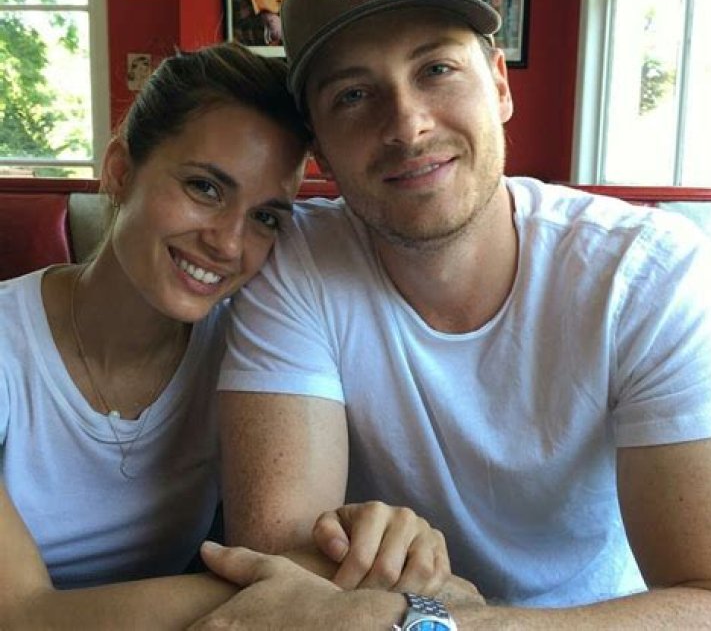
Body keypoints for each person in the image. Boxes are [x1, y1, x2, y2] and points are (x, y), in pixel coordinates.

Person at [196, 0, 711, 630]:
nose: (407, 125)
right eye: (353, 94)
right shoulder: (294, 262)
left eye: (436, 68)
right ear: (317, 147)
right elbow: (278, 574)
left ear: (498, 83)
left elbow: (709, 598)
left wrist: (444, 621)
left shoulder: (647, 274)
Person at [0, 42, 454, 628]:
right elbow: (21, 616)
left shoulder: (257, 350)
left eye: (265, 217)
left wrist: (385, 539)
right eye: (205, 188)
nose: (228, 243)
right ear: (120, 171)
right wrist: (305, 581)